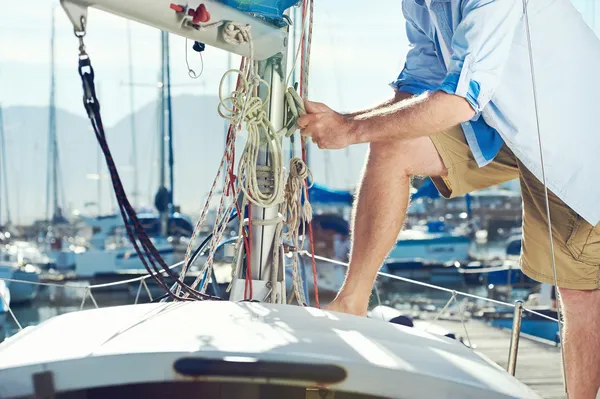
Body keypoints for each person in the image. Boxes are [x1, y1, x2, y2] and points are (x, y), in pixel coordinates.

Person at [297, 1, 600, 398]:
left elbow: (460, 100)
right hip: (505, 127)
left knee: (581, 295)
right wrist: (341, 120)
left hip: (577, 136)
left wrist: (349, 130)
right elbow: (416, 86)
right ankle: (351, 301)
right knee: (392, 146)